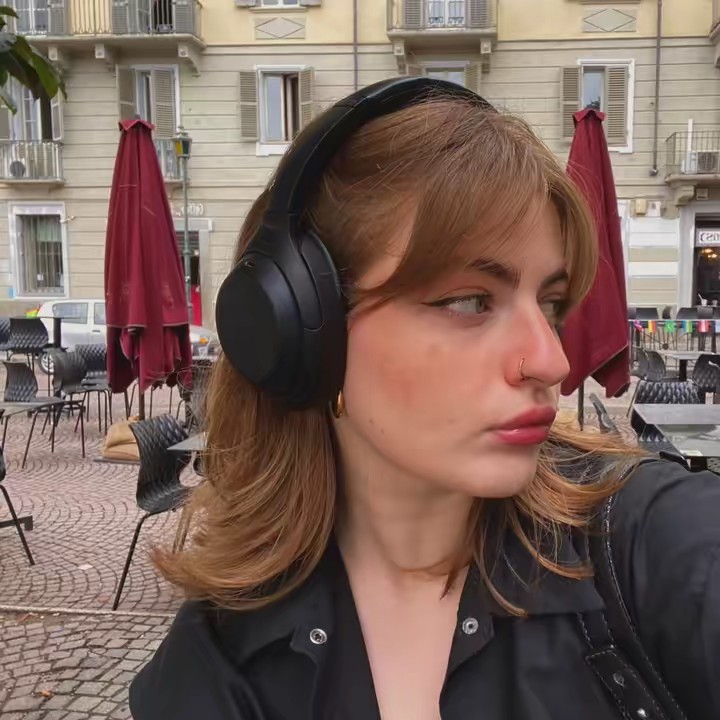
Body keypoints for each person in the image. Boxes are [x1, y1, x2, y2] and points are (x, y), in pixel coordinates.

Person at [129, 78, 720, 719]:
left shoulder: (644, 541)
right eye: (468, 301)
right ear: (303, 332)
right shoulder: (219, 659)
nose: (552, 359)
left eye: (550, 303)